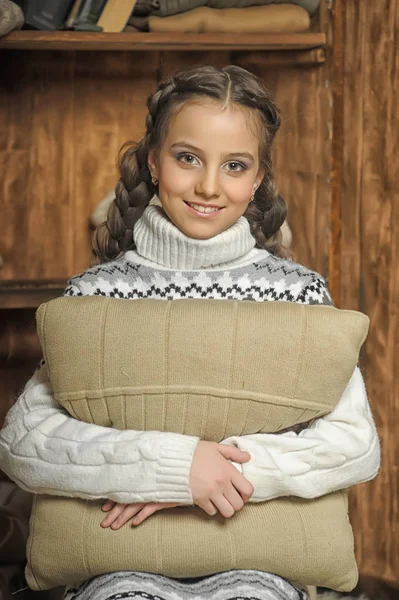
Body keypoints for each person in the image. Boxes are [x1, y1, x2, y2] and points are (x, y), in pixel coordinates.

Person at [0, 65, 380, 600]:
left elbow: (354, 443)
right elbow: (23, 441)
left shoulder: (301, 295)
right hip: (118, 570)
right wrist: (175, 467)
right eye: (188, 158)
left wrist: (208, 478)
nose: (208, 185)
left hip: (260, 570)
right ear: (154, 163)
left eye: (235, 166)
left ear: (258, 179)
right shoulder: (94, 295)